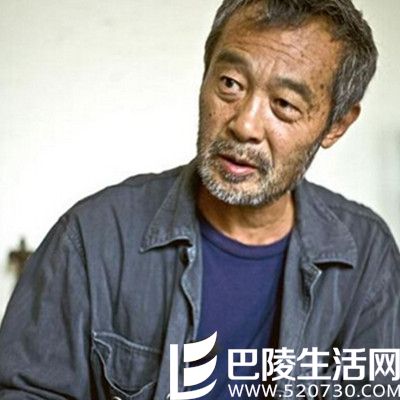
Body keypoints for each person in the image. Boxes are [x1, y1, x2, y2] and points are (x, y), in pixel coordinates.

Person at [0, 0, 399, 399]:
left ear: (337, 124)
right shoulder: (93, 237)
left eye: (284, 105)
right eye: (230, 84)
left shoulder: (367, 257)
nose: (245, 125)